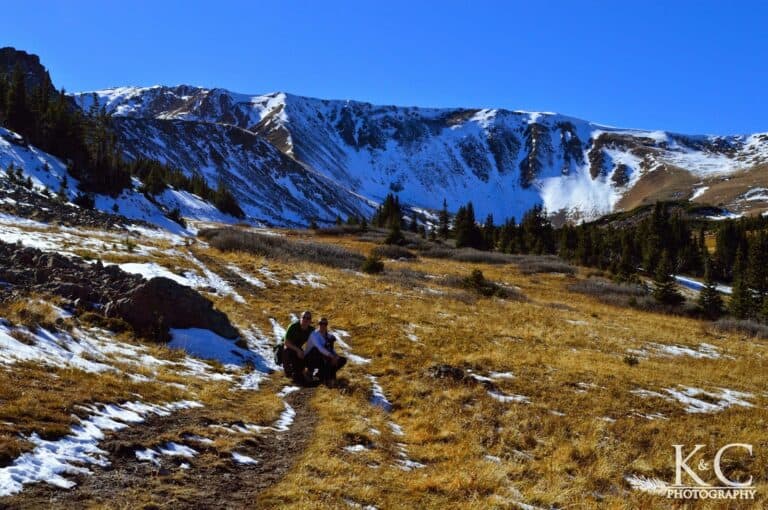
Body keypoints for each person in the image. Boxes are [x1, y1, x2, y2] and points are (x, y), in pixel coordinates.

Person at [304, 317, 347, 387]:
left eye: (325, 324)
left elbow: (330, 349)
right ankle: (310, 373)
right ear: (318, 324)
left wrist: (335, 356)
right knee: (317, 351)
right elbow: (320, 348)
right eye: (321, 323)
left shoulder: (328, 336)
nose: (323, 325)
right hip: (309, 358)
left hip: (322, 358)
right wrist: (332, 356)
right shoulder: (314, 335)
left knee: (342, 360)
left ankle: (324, 375)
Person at [283, 311, 314, 384]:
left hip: (298, 348)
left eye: (308, 318)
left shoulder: (311, 330)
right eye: (304, 317)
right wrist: (298, 350)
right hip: (288, 345)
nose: (305, 320)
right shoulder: (293, 326)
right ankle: (287, 371)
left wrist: (304, 352)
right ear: (300, 318)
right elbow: (286, 343)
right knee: (286, 350)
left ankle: (308, 372)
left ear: (310, 321)